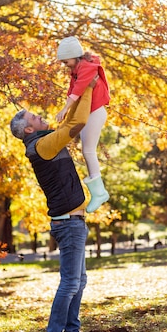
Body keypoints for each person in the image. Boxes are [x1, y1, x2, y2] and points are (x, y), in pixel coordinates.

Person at [9, 77, 104, 332]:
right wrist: (87, 88)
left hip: (73, 221)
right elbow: (75, 126)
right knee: (70, 282)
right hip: (68, 223)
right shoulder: (42, 146)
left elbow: (69, 121)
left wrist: (79, 90)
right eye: (35, 117)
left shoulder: (44, 141)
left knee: (79, 280)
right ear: (28, 129)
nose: (40, 116)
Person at [56, 36, 111, 213]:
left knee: (88, 150)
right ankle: (98, 192)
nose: (65, 65)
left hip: (96, 112)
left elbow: (78, 90)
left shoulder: (87, 67)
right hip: (91, 113)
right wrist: (67, 111)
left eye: (66, 61)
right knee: (86, 150)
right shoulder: (78, 69)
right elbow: (72, 89)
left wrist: (65, 109)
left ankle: (100, 193)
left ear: (75, 56)